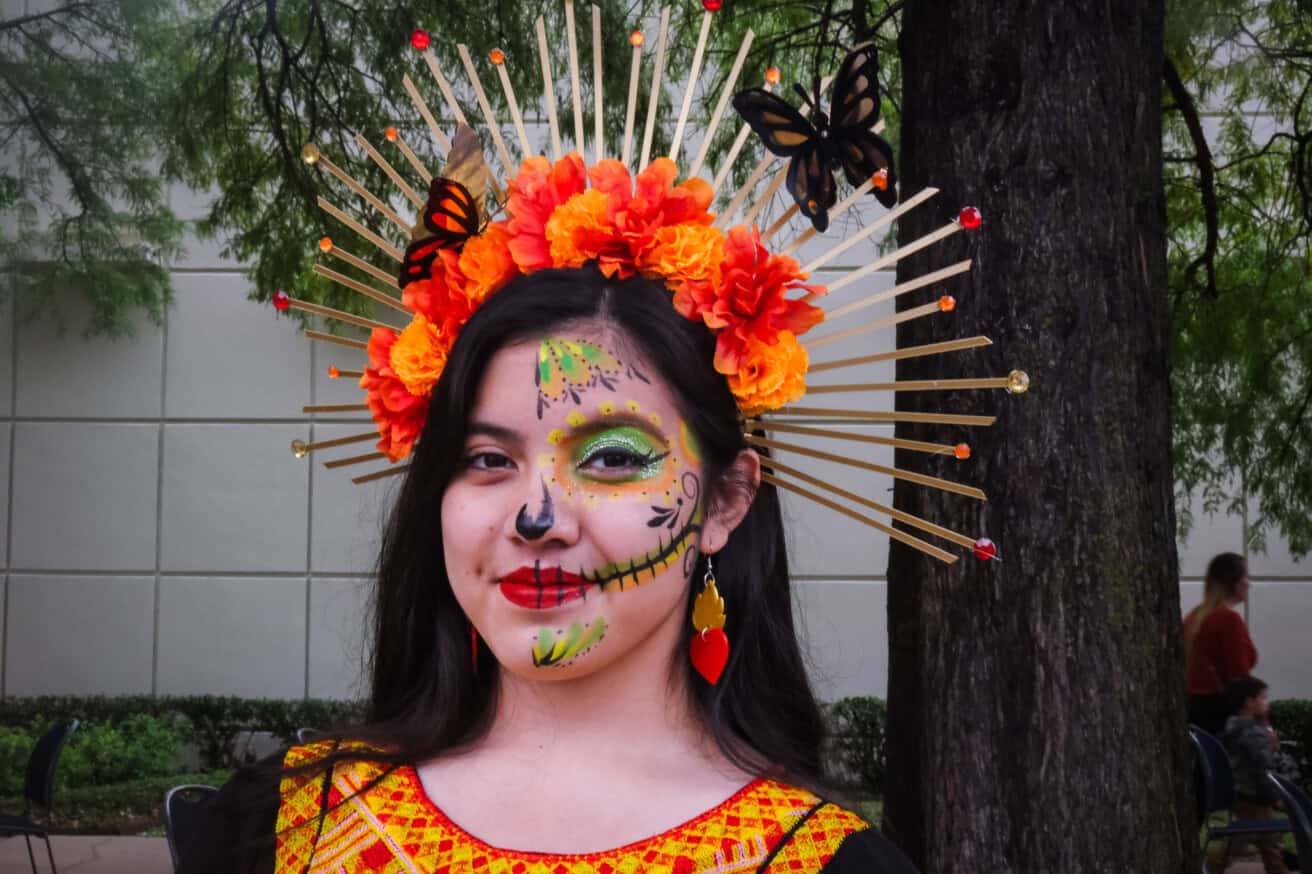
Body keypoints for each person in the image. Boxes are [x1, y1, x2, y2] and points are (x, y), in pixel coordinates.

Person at [181, 267, 921, 873]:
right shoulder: (291, 822)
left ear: (724, 503)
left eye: (613, 459)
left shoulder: (817, 861)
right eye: (488, 461)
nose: (536, 518)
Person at [1206, 676, 1290, 874]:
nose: (1266, 703)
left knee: (1269, 843)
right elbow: (1262, 768)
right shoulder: (1253, 733)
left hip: (1243, 796)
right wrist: (1277, 798)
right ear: (1249, 702)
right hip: (1254, 798)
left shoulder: (1232, 727)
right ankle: (1208, 867)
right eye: (1263, 698)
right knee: (1244, 841)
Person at [1184, 553, 1257, 735]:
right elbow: (1240, 677)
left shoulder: (1194, 617)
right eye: (1245, 576)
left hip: (1194, 709)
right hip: (1221, 715)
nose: (1249, 583)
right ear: (1233, 582)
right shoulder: (1229, 619)